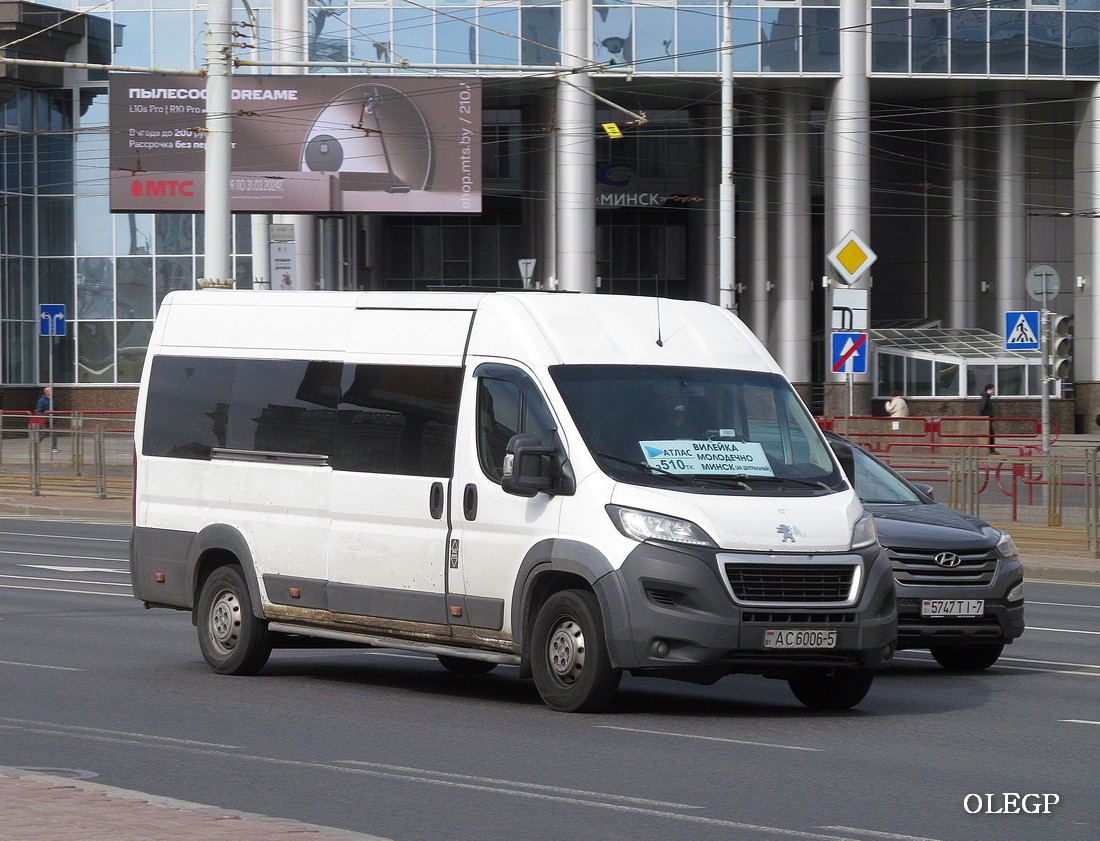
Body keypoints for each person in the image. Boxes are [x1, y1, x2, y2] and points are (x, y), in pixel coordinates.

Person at [35, 386, 59, 452]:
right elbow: (39, 410)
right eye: (50, 391)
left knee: (54, 434)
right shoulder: (42, 400)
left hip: (53, 419)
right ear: (46, 392)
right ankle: (36, 445)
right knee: (43, 434)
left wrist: (56, 416)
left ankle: (54, 448)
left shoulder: (53, 399)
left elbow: (55, 408)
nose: (52, 392)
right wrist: (41, 418)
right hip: (46, 420)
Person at [979, 383, 997, 454]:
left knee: (990, 434)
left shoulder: (986, 397)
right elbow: (982, 409)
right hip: (987, 419)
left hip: (987, 419)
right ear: (988, 389)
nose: (993, 391)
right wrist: (987, 416)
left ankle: (991, 449)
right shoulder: (985, 398)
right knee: (991, 434)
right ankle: (991, 450)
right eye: (992, 389)